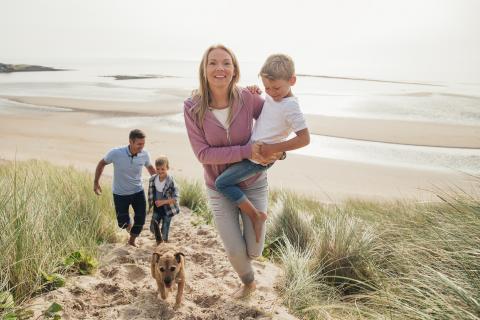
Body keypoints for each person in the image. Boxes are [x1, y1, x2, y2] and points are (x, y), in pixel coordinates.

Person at [183, 44, 280, 298]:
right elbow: (203, 154)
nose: (220, 68)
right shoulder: (192, 107)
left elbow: (276, 119)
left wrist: (280, 149)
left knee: (255, 251)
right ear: (204, 70)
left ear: (235, 69)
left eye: (226, 63)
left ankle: (254, 229)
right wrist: (247, 150)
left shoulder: (248, 98)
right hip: (218, 186)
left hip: (253, 181)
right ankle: (248, 283)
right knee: (235, 251)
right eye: (213, 63)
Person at [215, 54, 310, 243]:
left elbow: (304, 139)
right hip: (251, 152)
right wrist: (255, 90)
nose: (272, 92)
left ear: (292, 81)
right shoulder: (273, 95)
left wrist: (274, 148)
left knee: (221, 183)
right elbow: (267, 114)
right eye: (267, 87)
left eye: (276, 88)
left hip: (259, 160)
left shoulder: (291, 106)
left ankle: (256, 215)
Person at [93, 129, 156, 247]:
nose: (141, 147)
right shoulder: (116, 153)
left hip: (138, 191)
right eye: (139, 144)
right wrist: (96, 182)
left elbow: (151, 168)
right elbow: (101, 163)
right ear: (131, 142)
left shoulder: (144, 154)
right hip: (120, 194)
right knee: (122, 223)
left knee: (141, 219)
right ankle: (128, 225)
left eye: (143, 144)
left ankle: (132, 240)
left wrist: (161, 182)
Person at [147, 155, 180, 245]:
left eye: (162, 169)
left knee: (165, 229)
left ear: (167, 168)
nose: (160, 171)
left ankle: (163, 243)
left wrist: (163, 202)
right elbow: (151, 193)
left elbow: (176, 198)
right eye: (158, 169)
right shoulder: (153, 179)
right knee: (153, 227)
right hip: (157, 208)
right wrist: (150, 204)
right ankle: (159, 237)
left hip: (168, 209)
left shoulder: (171, 181)